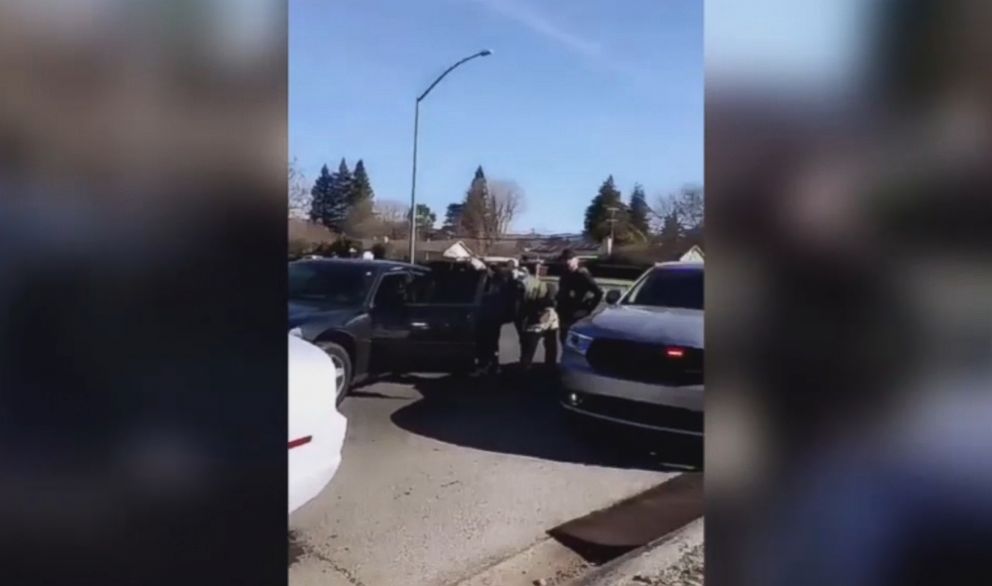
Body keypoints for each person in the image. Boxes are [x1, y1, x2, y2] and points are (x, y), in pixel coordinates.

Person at [555, 249, 603, 344]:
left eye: (569, 259)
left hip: (576, 314)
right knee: (563, 339)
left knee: (573, 341)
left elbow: (598, 292)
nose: (567, 261)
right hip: (564, 312)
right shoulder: (564, 275)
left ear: (576, 260)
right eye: (564, 259)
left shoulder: (582, 275)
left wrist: (588, 309)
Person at [518, 273, 559, 370]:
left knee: (531, 343)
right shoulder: (549, 296)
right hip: (549, 317)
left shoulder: (531, 290)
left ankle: (526, 365)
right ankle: (550, 365)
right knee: (550, 343)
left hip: (540, 317)